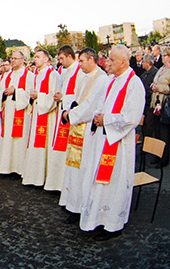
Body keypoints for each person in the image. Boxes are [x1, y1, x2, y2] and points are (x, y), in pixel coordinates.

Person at [65, 45, 144, 241]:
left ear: (123, 63)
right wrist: (97, 117)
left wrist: (105, 120)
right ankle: (98, 219)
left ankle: (113, 225)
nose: (106, 63)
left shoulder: (134, 84)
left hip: (118, 143)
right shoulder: (111, 81)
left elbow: (131, 118)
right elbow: (98, 105)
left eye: (111, 60)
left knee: (114, 184)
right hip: (102, 139)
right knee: (98, 182)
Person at [59, 48, 107, 220]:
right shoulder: (85, 76)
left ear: (92, 60)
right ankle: (72, 203)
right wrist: (69, 109)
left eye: (81, 61)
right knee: (74, 168)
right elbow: (77, 99)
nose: (79, 65)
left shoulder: (101, 79)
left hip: (87, 130)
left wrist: (70, 115)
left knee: (84, 169)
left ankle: (81, 207)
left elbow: (91, 106)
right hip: (78, 126)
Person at [46, 45, 83, 192]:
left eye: (62, 58)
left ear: (69, 56)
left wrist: (64, 98)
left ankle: (66, 185)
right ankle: (59, 183)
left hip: (72, 115)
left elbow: (80, 96)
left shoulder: (79, 72)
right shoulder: (65, 71)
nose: (60, 62)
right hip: (63, 113)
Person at [22, 49, 60, 187]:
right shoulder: (37, 75)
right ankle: (35, 176)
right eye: (34, 56)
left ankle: (46, 177)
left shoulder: (53, 75)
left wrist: (39, 96)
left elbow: (54, 97)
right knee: (36, 145)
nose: (35, 59)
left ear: (46, 59)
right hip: (38, 113)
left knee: (46, 145)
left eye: (38, 57)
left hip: (48, 115)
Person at [0, 51, 32, 176]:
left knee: (19, 141)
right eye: (12, 58)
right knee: (7, 140)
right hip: (8, 111)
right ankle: (7, 168)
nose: (13, 61)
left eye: (16, 58)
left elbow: (30, 95)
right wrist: (3, 93)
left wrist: (16, 92)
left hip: (20, 113)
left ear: (23, 60)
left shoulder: (29, 76)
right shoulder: (6, 76)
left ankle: (19, 169)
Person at [145, 45, 170, 167]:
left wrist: (159, 88)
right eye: (163, 55)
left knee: (164, 133)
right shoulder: (162, 69)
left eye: (165, 55)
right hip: (156, 104)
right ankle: (157, 155)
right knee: (157, 131)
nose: (163, 57)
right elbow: (155, 81)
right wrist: (153, 86)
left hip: (164, 104)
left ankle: (164, 159)